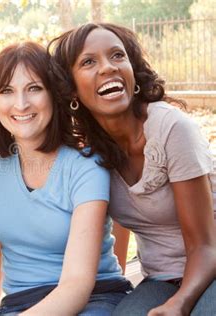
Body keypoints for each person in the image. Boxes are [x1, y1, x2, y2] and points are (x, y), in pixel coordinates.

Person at [49, 22, 216, 315]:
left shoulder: (171, 129)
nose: (108, 68)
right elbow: (120, 222)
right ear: (71, 90)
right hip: (161, 277)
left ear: (132, 72)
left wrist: (180, 303)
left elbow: (204, 245)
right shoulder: (90, 150)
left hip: (208, 262)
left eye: (117, 56)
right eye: (89, 61)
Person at [0, 42, 132, 316]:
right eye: (7, 91)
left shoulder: (86, 165)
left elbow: (77, 285)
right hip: (20, 303)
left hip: (94, 298)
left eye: (34, 88)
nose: (21, 104)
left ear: (53, 94)